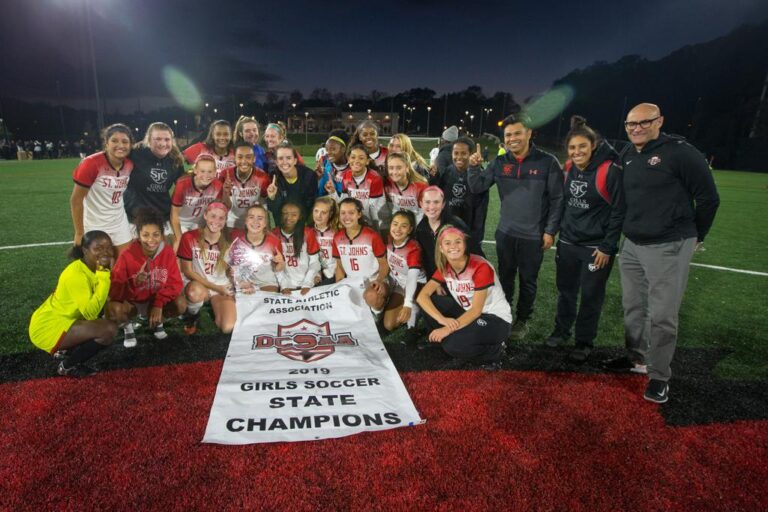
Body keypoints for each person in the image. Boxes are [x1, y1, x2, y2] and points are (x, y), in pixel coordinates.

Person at [602, 103, 720, 404]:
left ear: (660, 122)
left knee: (663, 315)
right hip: (633, 246)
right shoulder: (628, 154)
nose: (636, 129)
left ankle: (659, 375)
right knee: (633, 308)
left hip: (668, 244)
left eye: (644, 123)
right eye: (631, 124)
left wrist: (695, 236)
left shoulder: (681, 152)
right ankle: (637, 360)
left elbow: (708, 199)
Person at [467, 113, 564, 341]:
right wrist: (473, 167)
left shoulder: (547, 162)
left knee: (528, 281)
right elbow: (477, 186)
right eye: (508, 135)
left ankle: (523, 320)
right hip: (506, 233)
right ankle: (505, 315)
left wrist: (550, 231)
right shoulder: (500, 162)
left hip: (533, 236)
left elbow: (558, 199)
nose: (512, 139)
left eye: (517, 133)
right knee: (505, 278)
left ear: (529, 133)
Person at [546, 116, 625, 362]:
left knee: (591, 295)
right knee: (566, 292)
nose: (577, 151)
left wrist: (607, 247)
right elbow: (561, 204)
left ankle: (584, 341)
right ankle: (561, 331)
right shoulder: (568, 168)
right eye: (572, 147)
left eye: (582, 146)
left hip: (595, 248)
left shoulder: (609, 171)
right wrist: (554, 231)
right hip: (568, 243)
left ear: (594, 146)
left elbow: (619, 212)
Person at [416, 227, 511, 369]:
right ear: (441, 248)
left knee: (452, 345)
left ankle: (495, 351)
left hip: (495, 319)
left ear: (464, 245)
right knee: (432, 302)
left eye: (458, 242)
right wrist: (442, 320)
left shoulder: (480, 266)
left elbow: (476, 311)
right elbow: (422, 297)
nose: (453, 246)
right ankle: (437, 341)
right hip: (468, 312)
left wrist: (447, 329)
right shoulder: (445, 266)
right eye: (447, 243)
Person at [29, 231, 118, 377]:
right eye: (98, 248)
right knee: (109, 330)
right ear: (85, 250)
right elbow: (91, 313)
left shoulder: (92, 267)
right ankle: (67, 367)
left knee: (112, 310)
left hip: (65, 319)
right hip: (46, 327)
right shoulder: (76, 274)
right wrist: (104, 274)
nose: (105, 252)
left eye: (108, 247)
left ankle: (65, 349)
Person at [108, 208, 186, 347]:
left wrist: (158, 303)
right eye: (146, 235)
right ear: (138, 235)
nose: (151, 240)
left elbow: (176, 284)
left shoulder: (167, 252)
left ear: (162, 235)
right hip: (132, 302)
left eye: (156, 235)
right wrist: (133, 282)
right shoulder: (127, 255)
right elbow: (114, 290)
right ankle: (128, 327)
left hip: (154, 299)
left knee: (180, 304)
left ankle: (157, 321)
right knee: (114, 309)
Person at [70, 123, 135, 254]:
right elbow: (76, 200)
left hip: (119, 221)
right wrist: (79, 232)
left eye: (125, 141)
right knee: (98, 267)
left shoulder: (129, 164)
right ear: (106, 143)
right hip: (95, 223)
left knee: (123, 263)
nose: (120, 145)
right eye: (114, 141)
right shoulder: (92, 163)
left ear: (130, 145)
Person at [177, 202, 236, 334]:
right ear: (205, 216)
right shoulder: (189, 237)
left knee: (228, 327)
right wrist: (215, 288)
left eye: (221, 218)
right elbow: (187, 270)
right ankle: (192, 315)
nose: (216, 221)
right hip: (199, 283)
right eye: (213, 216)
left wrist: (233, 272)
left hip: (221, 286)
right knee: (193, 293)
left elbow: (231, 269)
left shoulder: (230, 240)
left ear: (226, 220)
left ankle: (214, 307)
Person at [431, 136, 489, 257]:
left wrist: (476, 236)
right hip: (449, 228)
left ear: (471, 154)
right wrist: (433, 177)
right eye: (456, 153)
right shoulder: (448, 172)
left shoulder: (479, 175)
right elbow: (438, 194)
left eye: (464, 153)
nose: (459, 157)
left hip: (469, 229)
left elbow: (481, 209)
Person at [123, 122, 185, 233]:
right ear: (149, 140)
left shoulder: (175, 160)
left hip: (162, 218)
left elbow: (184, 187)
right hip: (134, 219)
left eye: (167, 139)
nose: (162, 143)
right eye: (157, 139)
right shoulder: (134, 154)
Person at [332, 198, 390, 314]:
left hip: (373, 280)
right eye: (343, 213)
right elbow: (339, 267)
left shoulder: (371, 235)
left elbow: (384, 264)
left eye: (351, 213)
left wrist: (379, 280)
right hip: (352, 281)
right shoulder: (337, 237)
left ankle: (377, 312)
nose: (346, 217)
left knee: (371, 295)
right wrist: (337, 287)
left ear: (359, 214)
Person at [415, 186, 481, 281]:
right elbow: (427, 260)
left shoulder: (456, 225)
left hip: (462, 278)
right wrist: (434, 282)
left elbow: (475, 252)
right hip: (438, 279)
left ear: (443, 204)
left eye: (436, 202)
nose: (432, 207)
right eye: (427, 202)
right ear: (421, 204)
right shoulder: (420, 229)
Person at [383, 210, 426, 339]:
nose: (398, 229)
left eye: (404, 226)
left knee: (408, 311)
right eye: (395, 224)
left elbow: (412, 277)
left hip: (417, 285)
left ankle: (414, 321)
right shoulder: (389, 238)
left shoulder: (413, 248)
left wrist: (407, 304)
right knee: (389, 325)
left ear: (410, 229)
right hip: (399, 284)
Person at [170, 154, 223, 250]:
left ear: (215, 172)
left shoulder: (218, 186)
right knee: (178, 247)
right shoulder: (183, 184)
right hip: (182, 222)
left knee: (202, 248)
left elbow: (217, 211)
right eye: (202, 171)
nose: (206, 175)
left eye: (210, 171)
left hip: (200, 223)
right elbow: (174, 214)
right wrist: (179, 238)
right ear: (195, 170)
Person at [327, 144, 386, 230]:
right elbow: (344, 201)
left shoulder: (375, 178)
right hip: (353, 219)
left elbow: (374, 209)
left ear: (367, 161)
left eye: (361, 158)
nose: (356, 161)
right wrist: (333, 192)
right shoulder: (346, 175)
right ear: (348, 159)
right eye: (353, 157)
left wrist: (375, 228)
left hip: (372, 222)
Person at [227, 204, 284, 293]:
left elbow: (278, 269)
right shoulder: (236, 239)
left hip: (266, 283)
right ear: (245, 220)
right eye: (251, 217)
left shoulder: (274, 241)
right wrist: (239, 280)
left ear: (265, 223)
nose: (255, 221)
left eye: (260, 218)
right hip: (244, 281)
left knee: (266, 301)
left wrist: (280, 264)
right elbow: (232, 268)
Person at [220, 142, 270, 229]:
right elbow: (224, 205)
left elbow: (263, 205)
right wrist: (225, 192)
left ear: (254, 159)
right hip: (231, 220)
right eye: (240, 157)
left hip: (254, 222)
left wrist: (266, 228)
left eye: (248, 157)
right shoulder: (225, 174)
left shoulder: (262, 177)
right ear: (234, 158)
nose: (243, 161)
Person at [275, 202, 321, 294]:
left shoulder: (308, 233)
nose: (289, 217)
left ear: (300, 216)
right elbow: (276, 266)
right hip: (287, 285)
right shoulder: (274, 234)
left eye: (294, 215)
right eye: (285, 213)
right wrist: (284, 286)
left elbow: (315, 262)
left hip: (308, 283)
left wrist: (308, 283)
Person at [266, 141, 318, 221]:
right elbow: (274, 209)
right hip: (283, 225)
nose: (284, 162)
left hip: (304, 223)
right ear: (276, 162)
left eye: (288, 158)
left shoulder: (309, 176)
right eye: (280, 158)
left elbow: (311, 204)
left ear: (295, 161)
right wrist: (272, 197)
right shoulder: (274, 177)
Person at [384, 152, 428, 225]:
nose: (394, 172)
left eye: (399, 168)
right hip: (395, 226)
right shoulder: (386, 184)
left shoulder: (420, 187)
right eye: (391, 168)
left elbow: (423, 213)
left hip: (415, 226)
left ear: (407, 168)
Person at [310, 196, 339, 286]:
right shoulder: (307, 232)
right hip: (314, 274)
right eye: (316, 211)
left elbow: (340, 261)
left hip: (334, 274)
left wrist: (328, 274)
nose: (318, 215)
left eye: (323, 212)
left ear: (330, 214)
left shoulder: (337, 233)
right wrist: (317, 274)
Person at [316, 129, 349, 196]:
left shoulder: (353, 167)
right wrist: (317, 180)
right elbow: (319, 194)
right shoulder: (325, 165)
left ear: (343, 149)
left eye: (333, 149)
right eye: (327, 149)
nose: (328, 153)